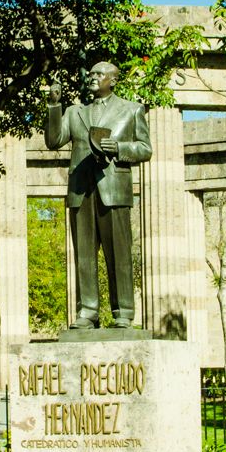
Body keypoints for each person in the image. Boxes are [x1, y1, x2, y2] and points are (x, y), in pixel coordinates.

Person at [44, 62, 152, 331]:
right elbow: (54, 140)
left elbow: (145, 149)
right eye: (91, 74)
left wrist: (119, 148)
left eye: (99, 74)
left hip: (114, 189)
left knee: (119, 254)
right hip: (81, 189)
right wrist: (53, 106)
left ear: (113, 81)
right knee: (84, 255)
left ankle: (123, 311)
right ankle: (88, 311)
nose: (92, 78)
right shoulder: (75, 112)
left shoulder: (131, 109)